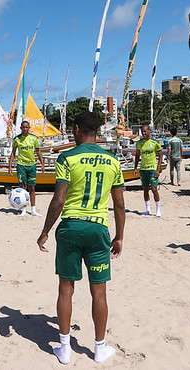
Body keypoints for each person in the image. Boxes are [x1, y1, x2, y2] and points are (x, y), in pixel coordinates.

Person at [36, 111, 126, 364]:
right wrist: (119, 236)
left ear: (76, 129)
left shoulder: (67, 158)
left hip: (71, 228)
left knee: (66, 289)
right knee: (99, 292)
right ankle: (99, 348)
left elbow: (59, 200)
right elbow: (119, 205)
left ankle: (64, 348)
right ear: (96, 132)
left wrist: (44, 232)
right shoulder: (112, 161)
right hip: (98, 229)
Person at [8, 120, 45, 216]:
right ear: (20, 128)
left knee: (32, 188)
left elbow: (38, 152)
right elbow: (13, 153)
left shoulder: (34, 139)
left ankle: (33, 210)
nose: (25, 129)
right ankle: (23, 209)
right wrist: (10, 166)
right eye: (23, 127)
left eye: (26, 127)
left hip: (32, 165)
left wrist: (42, 164)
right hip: (21, 165)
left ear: (29, 128)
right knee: (23, 188)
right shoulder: (17, 139)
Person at [134, 125, 163, 217]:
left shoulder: (154, 143)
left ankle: (158, 209)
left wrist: (158, 169)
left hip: (152, 168)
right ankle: (148, 210)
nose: (143, 133)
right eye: (142, 131)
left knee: (154, 189)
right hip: (143, 169)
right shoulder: (139, 143)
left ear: (149, 131)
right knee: (145, 189)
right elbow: (137, 156)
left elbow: (161, 156)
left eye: (145, 131)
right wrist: (135, 167)